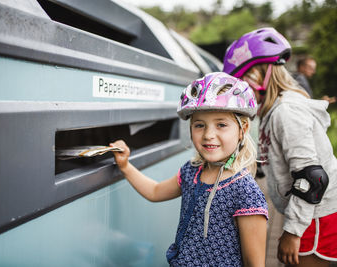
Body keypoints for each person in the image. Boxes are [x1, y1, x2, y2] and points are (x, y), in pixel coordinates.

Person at [110, 72, 268, 267]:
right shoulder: (191, 172)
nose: (209, 135)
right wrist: (125, 166)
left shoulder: (245, 191)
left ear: (242, 129)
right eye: (199, 125)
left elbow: (255, 263)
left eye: (221, 125)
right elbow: (154, 191)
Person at [223, 27, 337, 266]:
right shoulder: (272, 111)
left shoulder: (286, 111)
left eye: (240, 81)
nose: (239, 91)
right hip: (307, 213)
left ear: (259, 73)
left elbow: (312, 178)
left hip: (314, 217)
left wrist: (293, 231)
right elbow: (272, 161)